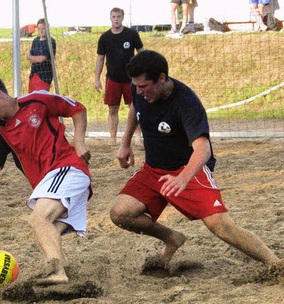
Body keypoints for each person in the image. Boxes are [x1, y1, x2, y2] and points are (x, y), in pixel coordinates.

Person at [110, 50, 282, 271]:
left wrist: (183, 178)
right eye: (136, 86)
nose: (139, 91)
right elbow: (135, 107)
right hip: (154, 169)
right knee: (120, 214)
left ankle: (276, 265)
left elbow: (203, 149)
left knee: (221, 226)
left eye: (144, 86)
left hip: (189, 169)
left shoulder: (186, 103)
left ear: (161, 78)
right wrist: (125, 144)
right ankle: (172, 237)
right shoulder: (140, 91)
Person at [0, 71, 91, 285]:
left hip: (68, 168)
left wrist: (79, 142)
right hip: (53, 181)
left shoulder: (38, 100)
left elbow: (77, 109)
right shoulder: (1, 132)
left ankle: (58, 272)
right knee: (45, 233)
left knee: (38, 219)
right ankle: (68, 278)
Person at [94, 7, 144, 145]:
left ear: (122, 18)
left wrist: (143, 72)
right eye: (114, 16)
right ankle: (113, 139)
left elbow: (142, 53)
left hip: (131, 79)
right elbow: (100, 59)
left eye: (118, 16)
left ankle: (138, 137)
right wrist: (96, 79)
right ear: (110, 18)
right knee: (112, 108)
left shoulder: (132, 34)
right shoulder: (104, 37)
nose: (116, 19)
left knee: (134, 107)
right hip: (113, 78)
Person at [26, 18, 56, 93]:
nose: (41, 31)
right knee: (31, 98)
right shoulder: (35, 40)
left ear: (47, 29)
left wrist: (32, 58)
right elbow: (29, 56)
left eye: (43, 28)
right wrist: (33, 58)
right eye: (39, 29)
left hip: (44, 77)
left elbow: (41, 59)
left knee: (40, 98)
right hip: (33, 74)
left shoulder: (51, 41)